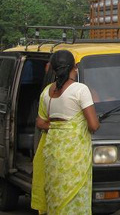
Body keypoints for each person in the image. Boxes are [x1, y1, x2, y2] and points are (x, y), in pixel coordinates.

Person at [32, 50, 100, 214]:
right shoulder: (80, 90)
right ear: (74, 68)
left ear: (54, 69)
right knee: (74, 198)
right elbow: (93, 125)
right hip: (74, 160)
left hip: (53, 155)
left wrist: (59, 127)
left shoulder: (47, 92)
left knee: (56, 197)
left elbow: (40, 122)